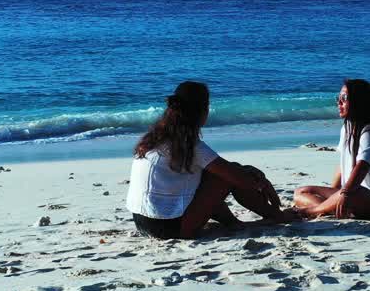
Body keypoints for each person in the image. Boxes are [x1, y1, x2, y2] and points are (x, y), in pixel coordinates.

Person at [126, 81, 295, 238]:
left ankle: (234, 223)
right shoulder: (189, 144)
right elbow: (239, 179)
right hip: (169, 227)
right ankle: (279, 216)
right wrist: (262, 182)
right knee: (225, 177)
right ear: (203, 111)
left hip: (142, 222)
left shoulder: (156, 138)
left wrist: (250, 171)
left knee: (221, 173)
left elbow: (226, 169)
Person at [293, 79, 370, 219]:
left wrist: (344, 194)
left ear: (359, 102)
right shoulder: (347, 127)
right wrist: (334, 192)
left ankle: (310, 211)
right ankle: (329, 208)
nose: (339, 102)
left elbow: (362, 166)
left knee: (352, 192)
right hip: (353, 193)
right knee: (301, 192)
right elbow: (342, 163)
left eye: (344, 98)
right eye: (338, 98)